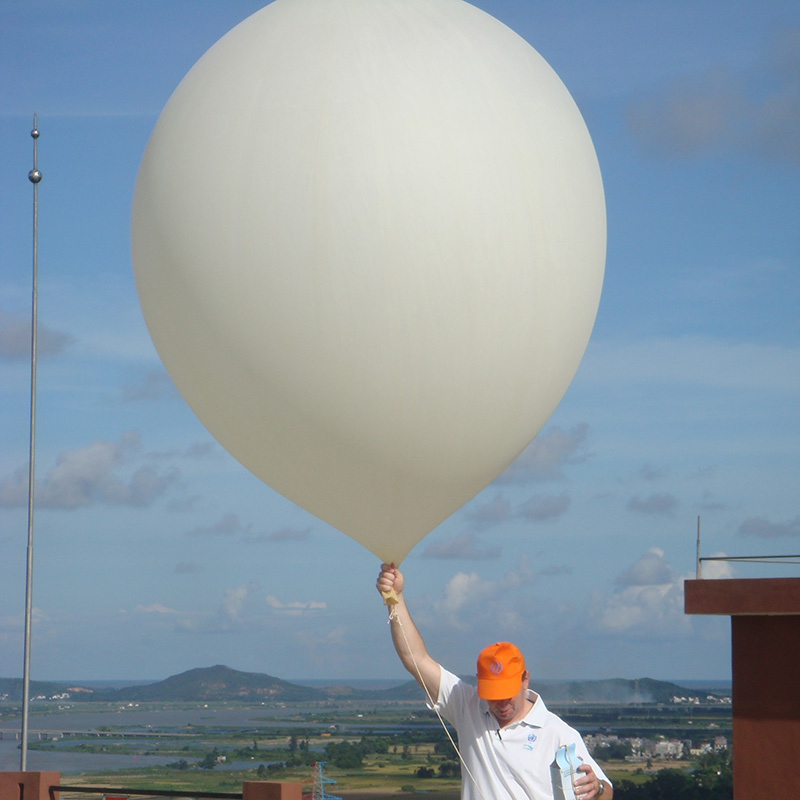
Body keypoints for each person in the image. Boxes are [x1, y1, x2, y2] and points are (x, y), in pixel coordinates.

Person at [377, 563, 612, 800]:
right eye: (492, 694)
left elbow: (606, 792)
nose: (501, 703)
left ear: (525, 680)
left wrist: (598, 788)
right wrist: (395, 597)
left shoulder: (558, 733)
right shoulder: (467, 705)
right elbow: (414, 658)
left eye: (507, 693)